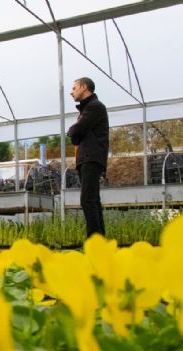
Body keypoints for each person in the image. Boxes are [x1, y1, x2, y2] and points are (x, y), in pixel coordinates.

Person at [68, 77, 109, 237]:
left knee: (87, 199)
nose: (71, 92)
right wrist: (75, 131)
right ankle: (99, 240)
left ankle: (94, 239)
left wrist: (73, 129)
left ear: (84, 87)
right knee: (92, 199)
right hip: (87, 159)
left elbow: (75, 131)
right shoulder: (87, 109)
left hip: (91, 158)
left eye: (74, 88)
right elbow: (75, 137)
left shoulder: (95, 107)